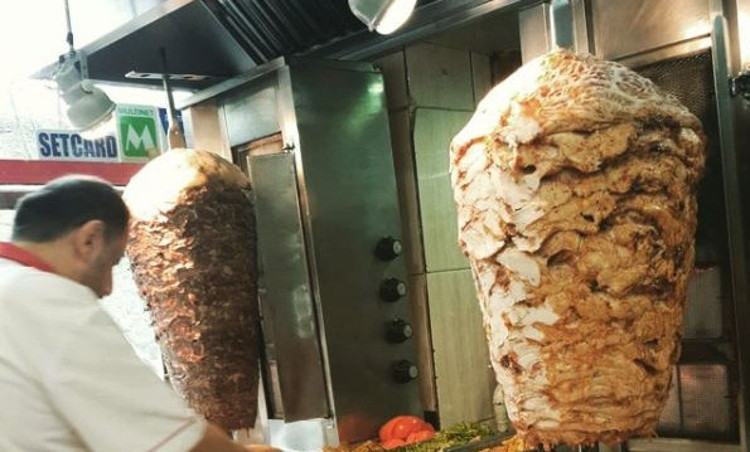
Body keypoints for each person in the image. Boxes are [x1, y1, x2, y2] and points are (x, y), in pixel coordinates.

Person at [0, 175, 279, 452]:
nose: (107, 288)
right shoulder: (50, 301)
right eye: (112, 263)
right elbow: (182, 445)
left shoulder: (11, 287)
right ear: (90, 240)